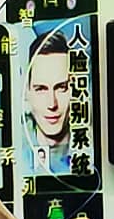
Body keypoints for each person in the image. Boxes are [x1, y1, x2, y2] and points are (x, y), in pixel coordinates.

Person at [23, 34, 76, 176]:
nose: (52, 104)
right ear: (27, 92)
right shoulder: (16, 157)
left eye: (61, 88)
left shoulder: (94, 151)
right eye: (41, 89)